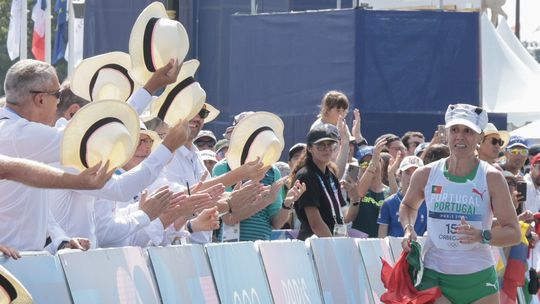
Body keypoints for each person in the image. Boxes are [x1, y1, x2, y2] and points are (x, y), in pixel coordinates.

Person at [399, 104, 521, 304]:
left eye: (468, 131)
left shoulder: (491, 177)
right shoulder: (426, 174)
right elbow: (408, 206)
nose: (460, 136)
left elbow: (514, 233)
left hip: (479, 281)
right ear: (446, 133)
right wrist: (408, 228)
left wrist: (483, 235)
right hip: (435, 276)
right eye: (454, 130)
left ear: (480, 138)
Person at [292, 126, 346, 240]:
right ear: (310, 148)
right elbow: (315, 224)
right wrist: (334, 245)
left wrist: (356, 200)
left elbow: (341, 216)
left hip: (332, 240)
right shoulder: (306, 176)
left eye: (330, 145)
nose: (327, 149)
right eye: (320, 145)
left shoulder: (331, 176)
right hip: (315, 244)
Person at [378, 156, 427, 238]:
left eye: (416, 173)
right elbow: (381, 237)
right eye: (407, 172)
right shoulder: (388, 203)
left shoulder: (428, 203)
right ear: (399, 175)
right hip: (393, 250)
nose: (411, 177)